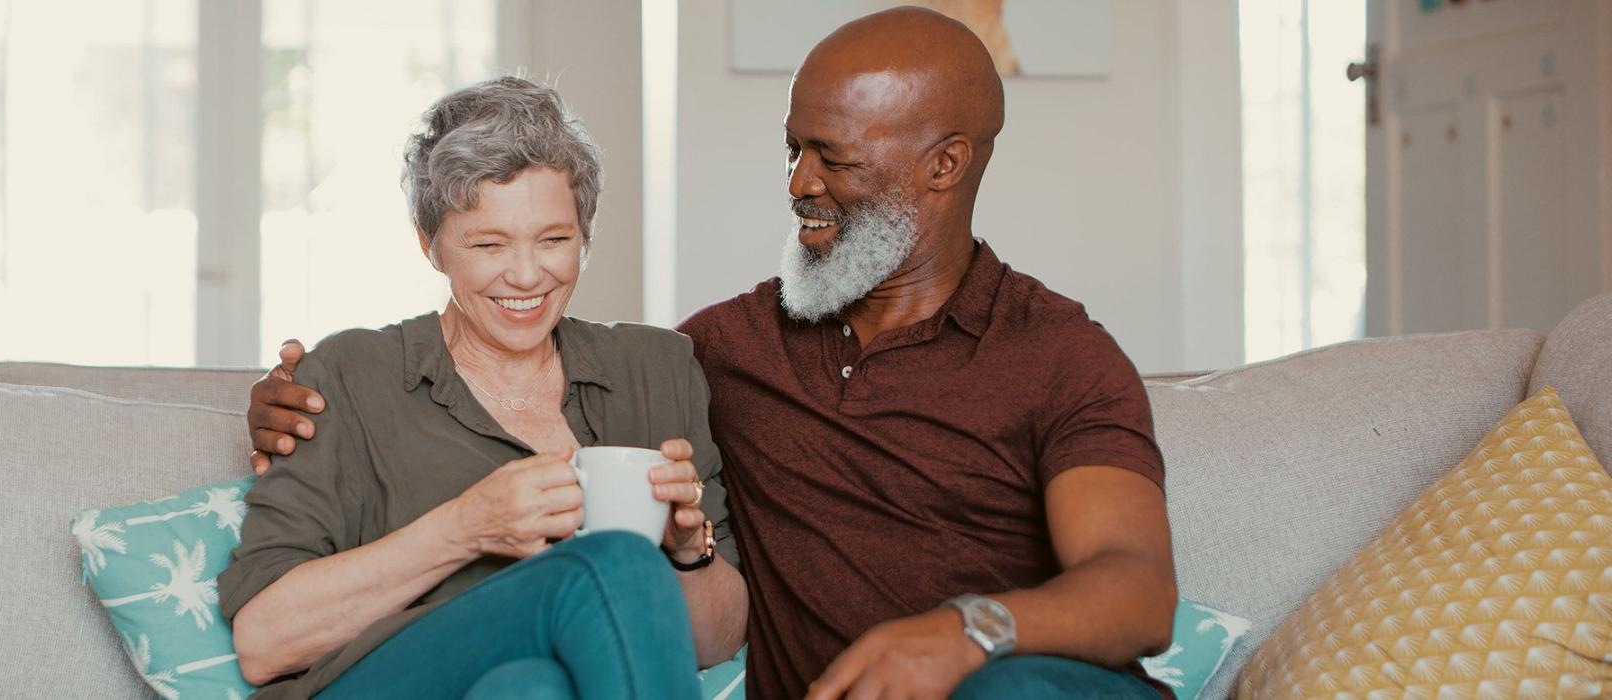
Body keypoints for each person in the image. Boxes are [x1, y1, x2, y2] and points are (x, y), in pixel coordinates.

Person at [250, 8, 1175, 699]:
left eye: (833, 159)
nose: (798, 183)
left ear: (945, 164)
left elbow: (1137, 588)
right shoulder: (723, 351)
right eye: (791, 150)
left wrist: (970, 633)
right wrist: (281, 402)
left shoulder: (1059, 353)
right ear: (433, 244)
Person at [221, 76, 747, 700]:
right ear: (431, 245)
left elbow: (717, 642)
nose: (526, 275)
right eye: (488, 243)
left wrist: (689, 551)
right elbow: (263, 645)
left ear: (586, 234)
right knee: (618, 563)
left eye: (555, 240)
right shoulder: (347, 373)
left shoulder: (656, 369)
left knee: (532, 688)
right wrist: (466, 527)